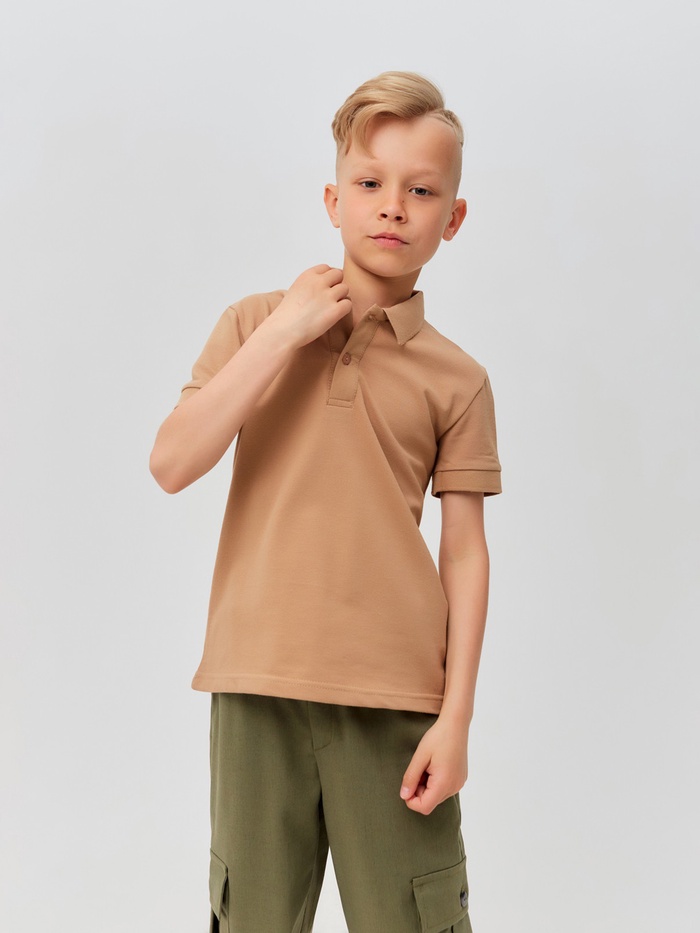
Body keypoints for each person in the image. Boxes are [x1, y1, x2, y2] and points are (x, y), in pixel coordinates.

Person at [150, 70, 502, 933]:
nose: (393, 208)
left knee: (414, 916)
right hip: (257, 677)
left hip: (397, 697)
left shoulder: (458, 379)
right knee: (253, 917)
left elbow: (464, 550)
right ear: (333, 200)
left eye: (421, 191)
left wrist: (456, 718)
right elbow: (172, 462)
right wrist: (286, 332)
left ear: (453, 217)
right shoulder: (254, 323)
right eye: (370, 183)